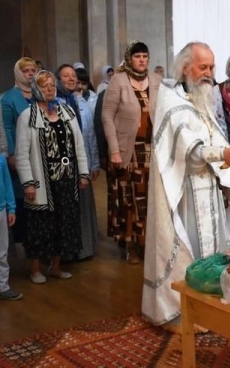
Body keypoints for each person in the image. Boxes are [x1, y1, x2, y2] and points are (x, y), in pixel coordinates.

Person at [142, 41, 230, 330]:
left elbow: (213, 135)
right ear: (185, 67)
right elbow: (189, 148)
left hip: (208, 187)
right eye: (203, 67)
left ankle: (211, 308)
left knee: (213, 247)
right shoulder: (171, 100)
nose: (209, 73)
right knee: (189, 248)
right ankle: (184, 313)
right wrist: (221, 154)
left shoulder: (202, 98)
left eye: (212, 67)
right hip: (184, 193)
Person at [15, 71, 90, 283]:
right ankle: (36, 269)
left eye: (51, 85)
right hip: (42, 181)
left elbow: (79, 145)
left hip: (66, 179)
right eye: (44, 86)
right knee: (41, 225)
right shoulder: (27, 117)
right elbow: (21, 154)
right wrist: (28, 183)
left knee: (63, 223)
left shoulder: (66, 111)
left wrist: (83, 173)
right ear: (36, 89)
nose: (50, 89)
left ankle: (55, 267)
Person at [101, 41, 162, 264]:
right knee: (129, 200)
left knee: (149, 199)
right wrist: (114, 150)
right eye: (138, 56)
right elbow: (107, 116)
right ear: (129, 58)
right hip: (127, 151)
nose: (142, 60)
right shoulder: (118, 81)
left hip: (152, 150)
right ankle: (131, 246)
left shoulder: (156, 80)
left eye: (145, 56)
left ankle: (148, 243)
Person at [2, 58, 38, 255]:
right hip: (20, 156)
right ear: (18, 73)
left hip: (40, 154)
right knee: (23, 197)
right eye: (26, 71)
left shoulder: (39, 93)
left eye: (33, 70)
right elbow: (6, 127)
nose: (30, 74)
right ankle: (23, 244)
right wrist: (12, 153)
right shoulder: (9, 98)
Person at [74, 67, 100, 260]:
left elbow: (90, 135)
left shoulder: (84, 104)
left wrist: (95, 164)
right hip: (68, 164)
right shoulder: (57, 103)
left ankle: (86, 248)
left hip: (85, 162)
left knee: (84, 206)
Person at [0, 154, 19, 299]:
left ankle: (3, 286)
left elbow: (7, 185)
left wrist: (11, 208)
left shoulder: (1, 159)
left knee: (2, 251)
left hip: (1, 210)